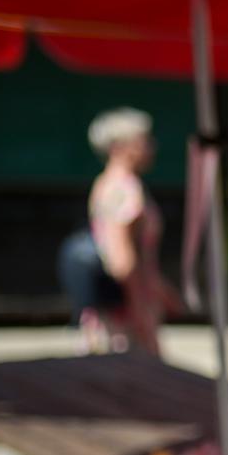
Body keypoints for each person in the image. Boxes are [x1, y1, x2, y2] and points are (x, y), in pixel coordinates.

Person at [82, 107, 177, 356]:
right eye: (143, 141)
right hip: (127, 318)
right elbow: (122, 262)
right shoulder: (124, 190)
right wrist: (141, 317)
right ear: (118, 147)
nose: (151, 147)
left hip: (119, 312)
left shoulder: (106, 183)